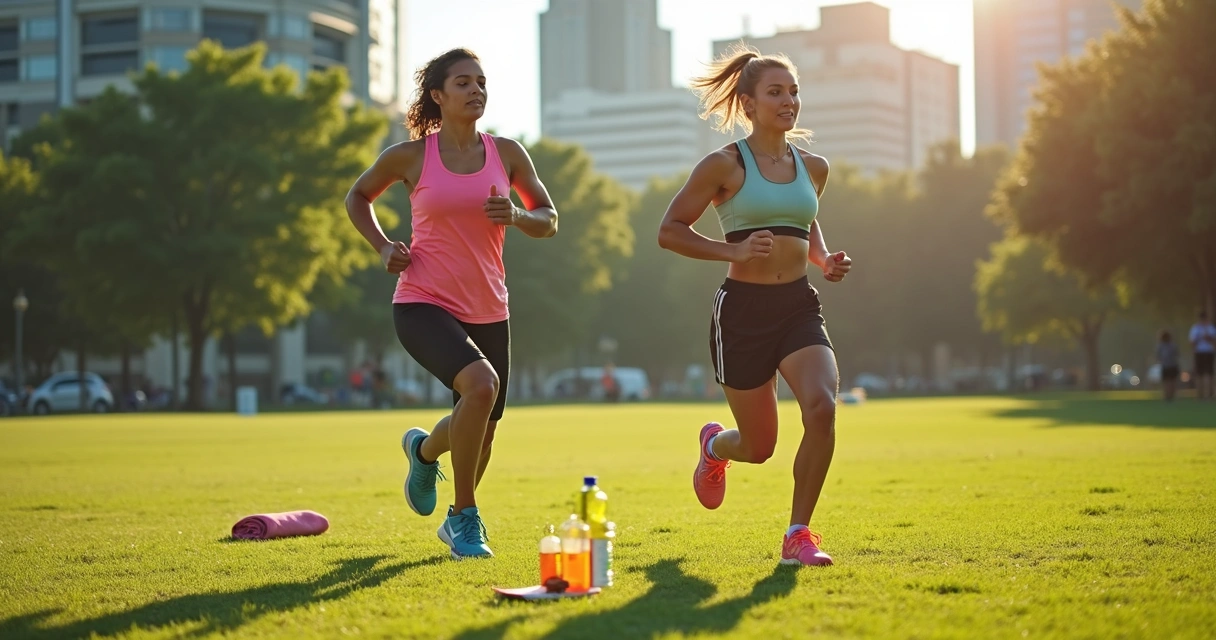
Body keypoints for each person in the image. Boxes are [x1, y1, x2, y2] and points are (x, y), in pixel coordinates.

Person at [345, 48, 558, 559]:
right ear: (438, 95)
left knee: (482, 427)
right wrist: (382, 247)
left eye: (481, 82)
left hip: (490, 306)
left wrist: (517, 216)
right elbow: (358, 196)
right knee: (481, 386)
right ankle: (464, 517)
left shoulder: (507, 154)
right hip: (422, 300)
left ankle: (422, 452)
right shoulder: (411, 156)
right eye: (463, 83)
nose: (476, 90)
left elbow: (548, 218)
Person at [657, 45, 852, 567]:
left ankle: (798, 533)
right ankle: (716, 448)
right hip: (741, 312)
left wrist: (823, 259)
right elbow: (669, 231)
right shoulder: (723, 165)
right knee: (760, 446)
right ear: (748, 103)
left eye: (793, 92)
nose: (789, 101)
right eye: (775, 93)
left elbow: (803, 221)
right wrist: (733, 250)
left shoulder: (814, 167)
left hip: (797, 307)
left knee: (823, 406)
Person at [1190, 310, 1215, 400]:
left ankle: (1209, 393)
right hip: (1199, 352)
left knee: (1209, 373)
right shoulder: (1195, 328)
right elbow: (1192, 342)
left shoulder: (1210, 328)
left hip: (1209, 352)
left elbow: (1214, 341)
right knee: (1199, 373)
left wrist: (1207, 337)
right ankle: (1200, 394)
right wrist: (1198, 338)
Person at [1156, 330, 1180, 402]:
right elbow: (1177, 355)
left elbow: (1158, 356)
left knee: (1166, 382)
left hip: (1166, 366)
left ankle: (1167, 396)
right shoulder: (1173, 346)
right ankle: (1171, 396)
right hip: (1172, 365)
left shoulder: (1160, 346)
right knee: (1172, 382)